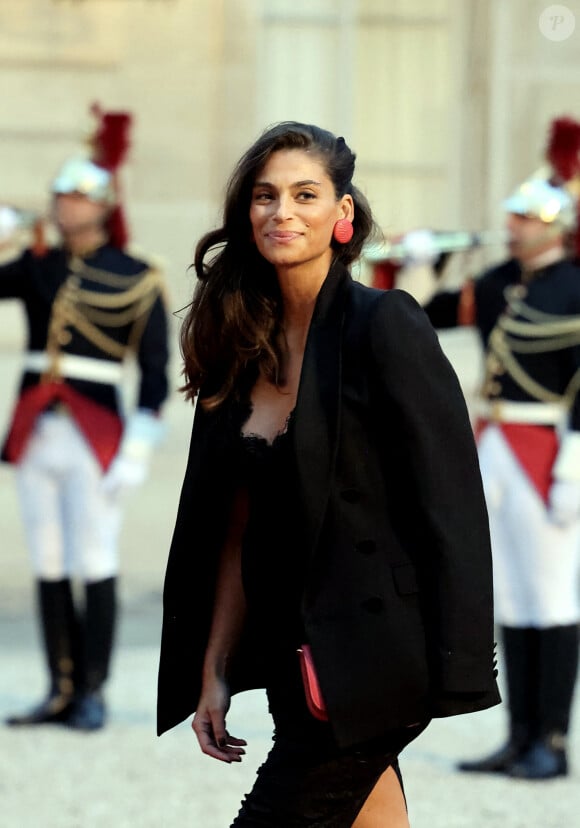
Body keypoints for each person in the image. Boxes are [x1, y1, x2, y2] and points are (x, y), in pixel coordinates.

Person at [157, 121, 499, 827]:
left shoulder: (385, 325)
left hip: (380, 654)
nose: (282, 211)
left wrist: (461, 663)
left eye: (305, 194)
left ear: (341, 214)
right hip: (296, 654)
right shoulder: (239, 341)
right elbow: (234, 528)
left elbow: (452, 504)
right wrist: (214, 666)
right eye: (265, 195)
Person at [395, 155, 580, 778]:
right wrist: (422, 261)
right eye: (513, 214)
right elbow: (417, 316)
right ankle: (517, 735)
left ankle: (551, 741)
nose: (515, 225)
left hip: (550, 451)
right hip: (495, 444)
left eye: (527, 216)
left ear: (557, 224)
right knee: (510, 597)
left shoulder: (577, 286)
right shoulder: (501, 280)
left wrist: (574, 468)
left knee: (550, 597)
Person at [1, 106, 170, 731]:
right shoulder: (37, 265)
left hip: (98, 432)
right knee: (47, 560)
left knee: (93, 556)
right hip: (35, 427)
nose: (65, 207)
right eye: (60, 196)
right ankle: (59, 687)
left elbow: (155, 373)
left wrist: (139, 447)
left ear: (102, 206)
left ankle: (93, 689)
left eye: (77, 198)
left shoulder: (136, 276)